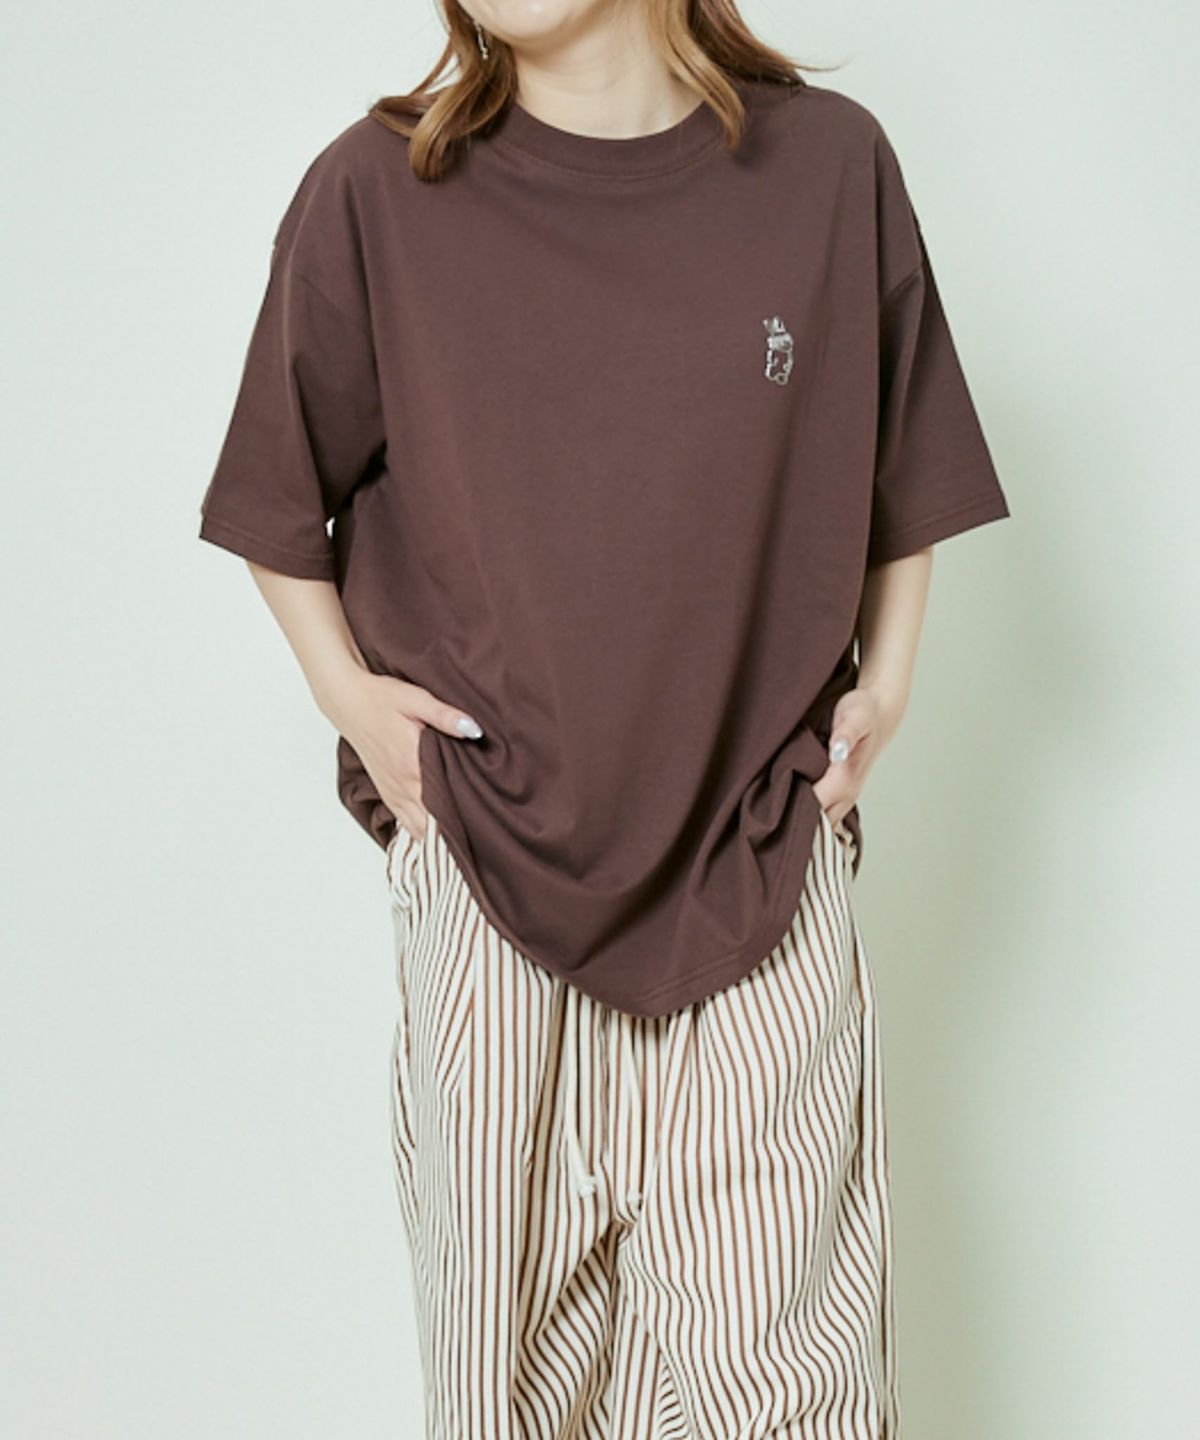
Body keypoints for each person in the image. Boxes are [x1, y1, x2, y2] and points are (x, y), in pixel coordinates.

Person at [198, 2, 1011, 1434]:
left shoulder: (830, 170)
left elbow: (908, 460)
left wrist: (888, 683)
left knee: (792, 1394)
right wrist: (356, 706)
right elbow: (276, 493)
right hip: (490, 870)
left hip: (760, 863)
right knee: (509, 1386)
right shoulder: (375, 193)